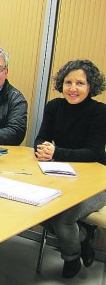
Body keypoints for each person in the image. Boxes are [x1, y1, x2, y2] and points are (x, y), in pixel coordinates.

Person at [34, 59, 106, 278]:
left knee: (63, 217)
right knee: (37, 207)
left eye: (80, 83)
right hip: (60, 176)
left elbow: (94, 153)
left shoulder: (100, 112)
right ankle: (83, 237)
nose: (72, 88)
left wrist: (56, 153)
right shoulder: (54, 106)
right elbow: (41, 139)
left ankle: (72, 257)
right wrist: (43, 149)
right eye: (68, 82)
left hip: (97, 181)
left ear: (90, 86)